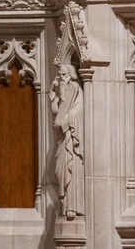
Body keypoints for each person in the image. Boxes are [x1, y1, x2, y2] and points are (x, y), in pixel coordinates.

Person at [50, 64, 85, 219]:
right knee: (60, 171)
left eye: (64, 75)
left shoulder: (75, 88)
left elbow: (78, 111)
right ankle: (64, 206)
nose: (61, 78)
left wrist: (64, 122)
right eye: (60, 75)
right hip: (62, 139)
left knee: (71, 168)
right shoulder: (64, 93)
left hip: (71, 136)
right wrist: (54, 96)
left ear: (71, 75)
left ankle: (72, 206)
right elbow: (56, 111)